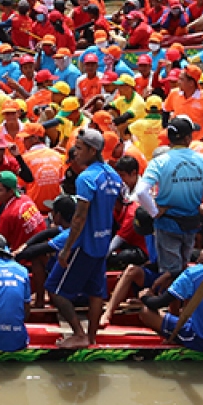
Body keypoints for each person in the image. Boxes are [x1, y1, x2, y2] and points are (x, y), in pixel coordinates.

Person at [54, 128, 128, 347]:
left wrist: (66, 248)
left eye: (79, 148)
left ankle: (79, 334)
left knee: (55, 289)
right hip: (103, 242)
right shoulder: (113, 175)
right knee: (96, 294)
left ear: (92, 150)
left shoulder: (86, 178)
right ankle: (92, 338)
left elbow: (79, 217)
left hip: (84, 245)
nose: (75, 153)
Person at [134, 116, 203, 276]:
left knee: (171, 273)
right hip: (192, 223)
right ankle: (175, 300)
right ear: (188, 138)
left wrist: (154, 212)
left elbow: (141, 192)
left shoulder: (159, 162)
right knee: (180, 269)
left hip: (167, 224)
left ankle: (165, 299)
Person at [138, 228, 203, 352]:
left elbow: (158, 303)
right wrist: (172, 274)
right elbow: (202, 270)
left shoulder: (192, 275)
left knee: (145, 312)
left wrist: (144, 296)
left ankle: (174, 338)